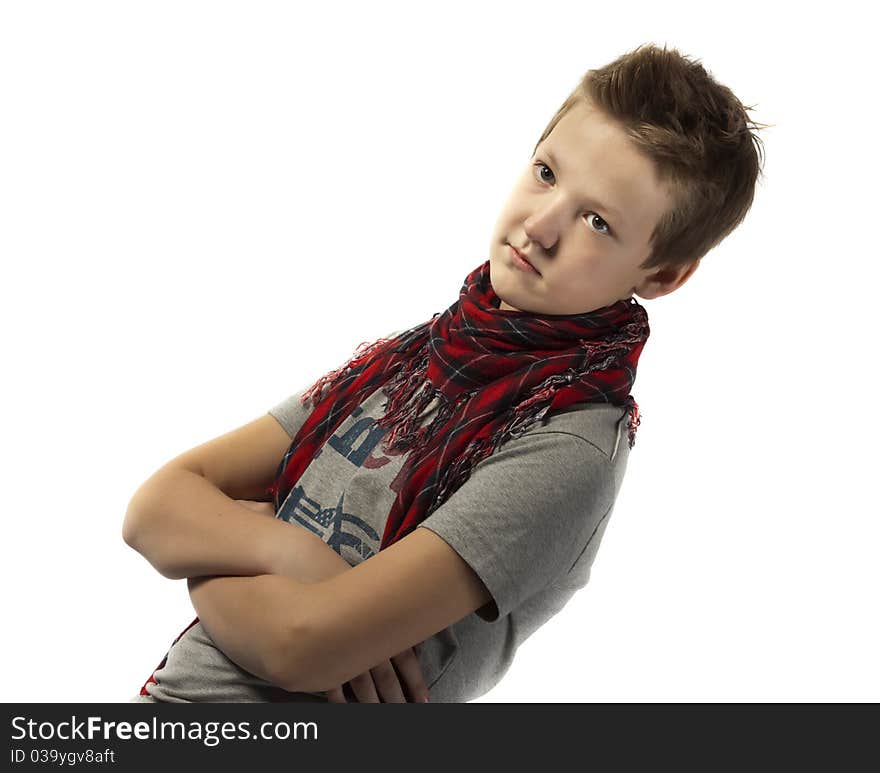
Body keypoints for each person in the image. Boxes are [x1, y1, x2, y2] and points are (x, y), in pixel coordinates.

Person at [123, 42, 766, 703]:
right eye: (546, 173)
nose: (540, 227)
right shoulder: (411, 357)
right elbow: (154, 510)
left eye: (597, 221)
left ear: (663, 274)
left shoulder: (566, 445)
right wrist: (293, 555)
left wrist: (215, 549)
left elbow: (300, 646)